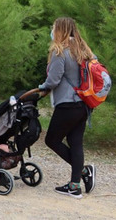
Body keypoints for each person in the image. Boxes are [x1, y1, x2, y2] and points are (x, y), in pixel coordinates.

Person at [39, 17, 96, 199]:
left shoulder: (60, 51)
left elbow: (54, 80)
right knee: (76, 142)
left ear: (60, 30)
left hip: (68, 104)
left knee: (51, 140)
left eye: (54, 27)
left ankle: (83, 174)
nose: (52, 30)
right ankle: (75, 185)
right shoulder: (85, 50)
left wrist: (41, 88)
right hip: (84, 104)